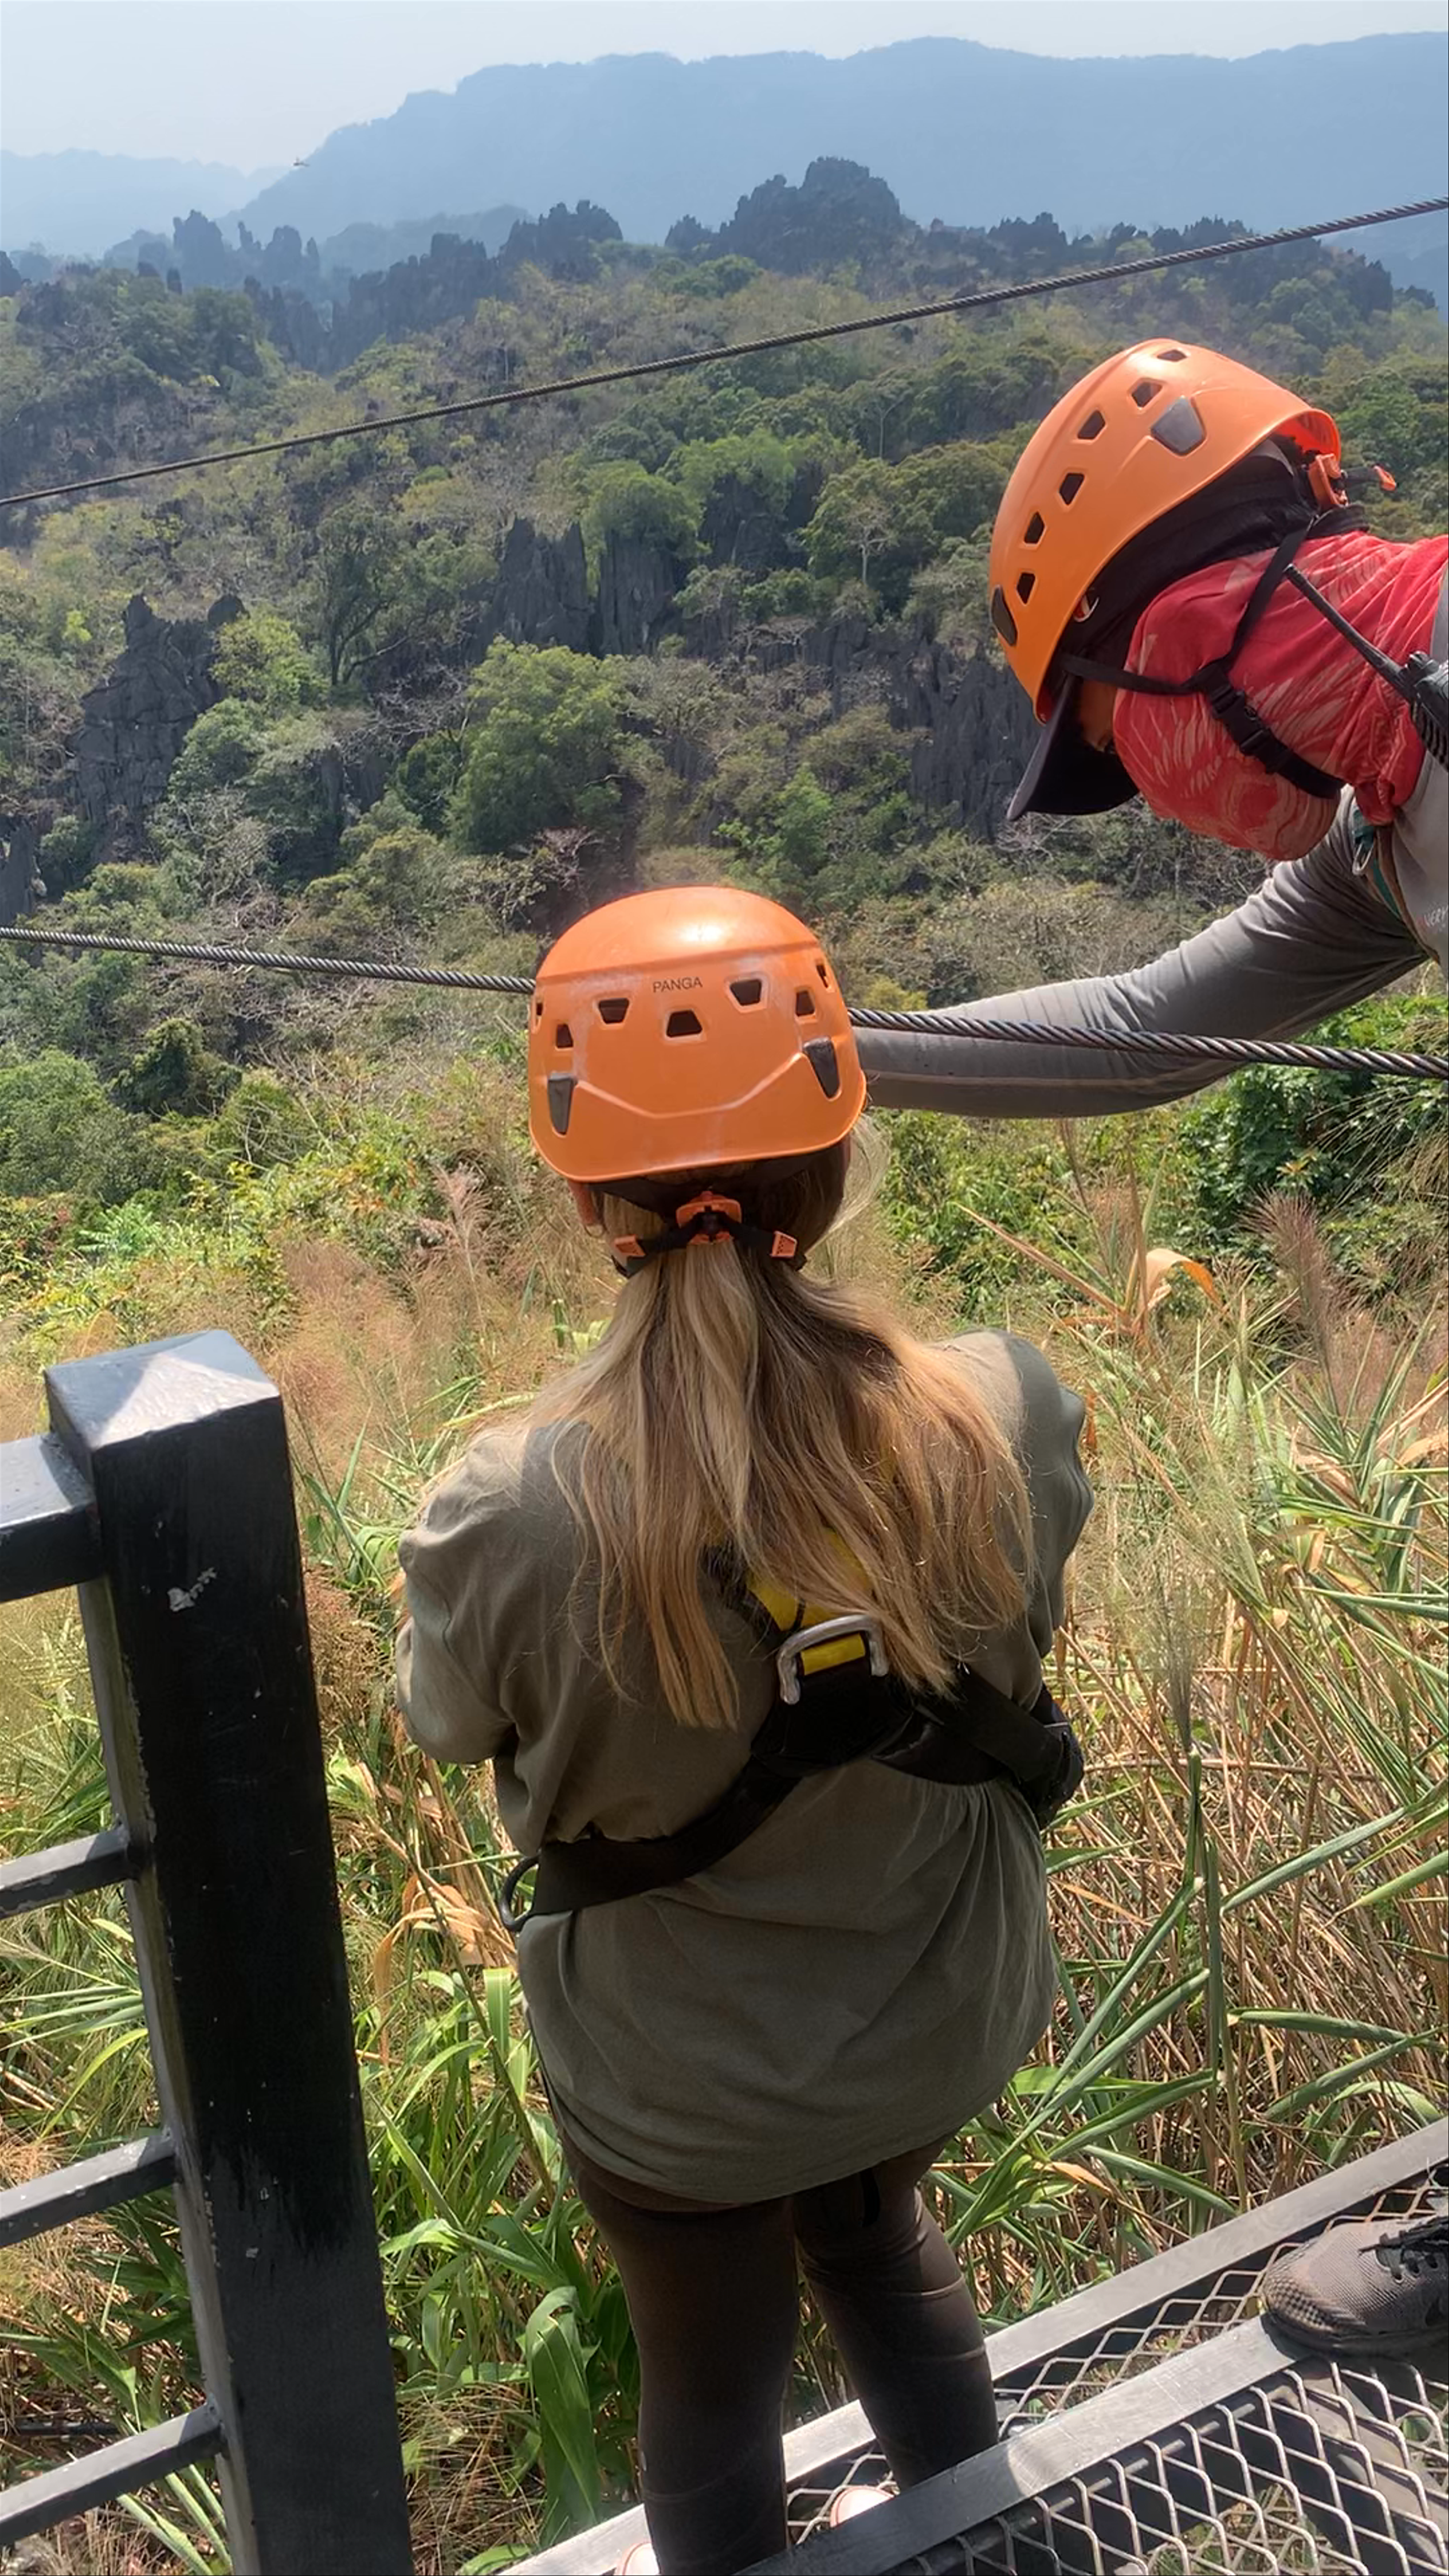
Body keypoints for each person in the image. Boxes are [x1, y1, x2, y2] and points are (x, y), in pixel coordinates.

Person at [858, 338, 1447, 2355]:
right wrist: (831, 1048)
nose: (1163, 800)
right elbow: (1141, 1033)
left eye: (1126, 740)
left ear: (1193, 639)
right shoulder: (1392, 803)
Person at [395, 887, 1092, 2576]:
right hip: (941, 2014)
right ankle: (983, 2543)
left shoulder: (513, 1505)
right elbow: (1025, 1636)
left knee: (710, 2371)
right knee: (876, 2226)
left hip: (682, 2088)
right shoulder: (1003, 1408)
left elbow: (443, 1721)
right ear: (834, 1158)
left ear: (588, 1197)